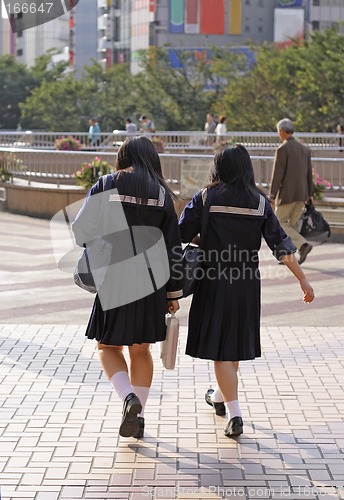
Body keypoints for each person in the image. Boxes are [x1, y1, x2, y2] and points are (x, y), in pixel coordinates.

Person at [179, 144, 314, 438]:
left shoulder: (206, 197)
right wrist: (303, 280)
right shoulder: (260, 202)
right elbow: (282, 245)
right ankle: (218, 396)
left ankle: (235, 414)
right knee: (234, 345)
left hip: (213, 279)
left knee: (220, 350)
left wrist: (207, 237)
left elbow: (179, 233)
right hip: (246, 283)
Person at [72, 136, 183, 439]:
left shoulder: (107, 183)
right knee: (141, 350)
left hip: (114, 277)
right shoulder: (161, 194)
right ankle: (140, 416)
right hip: (151, 281)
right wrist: (173, 294)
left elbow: (81, 230)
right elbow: (174, 248)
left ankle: (127, 398)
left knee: (107, 346)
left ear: (123, 156)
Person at [269, 118, 313, 265]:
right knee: (292, 226)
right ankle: (290, 258)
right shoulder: (304, 149)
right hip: (302, 194)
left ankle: (303, 244)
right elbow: (309, 174)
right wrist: (310, 193)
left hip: (287, 195)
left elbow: (277, 175)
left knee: (278, 223)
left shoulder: (283, 149)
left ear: (281, 131)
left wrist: (272, 195)